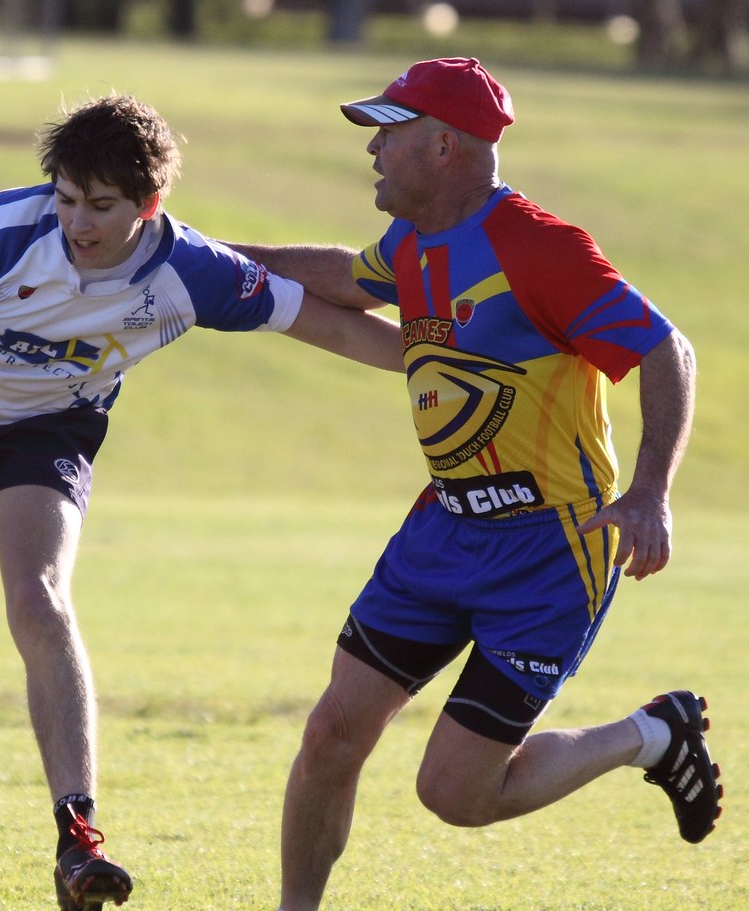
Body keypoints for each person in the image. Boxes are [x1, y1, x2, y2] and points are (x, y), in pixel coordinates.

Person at [0, 94, 404, 910]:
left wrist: (465, 359)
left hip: (48, 429)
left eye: (102, 205)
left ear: (150, 205)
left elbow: (334, 328)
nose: (77, 221)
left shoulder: (193, 272)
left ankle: (77, 836)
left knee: (41, 601)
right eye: (67, 198)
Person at [226, 57, 720, 911]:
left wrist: (649, 492)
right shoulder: (413, 241)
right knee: (331, 735)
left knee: (453, 793)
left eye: (390, 132)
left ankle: (649, 734)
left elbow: (664, 348)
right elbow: (346, 276)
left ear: (444, 144)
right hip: (443, 529)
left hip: (552, 548)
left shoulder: (540, 247)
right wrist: (201, 257)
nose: (374, 150)